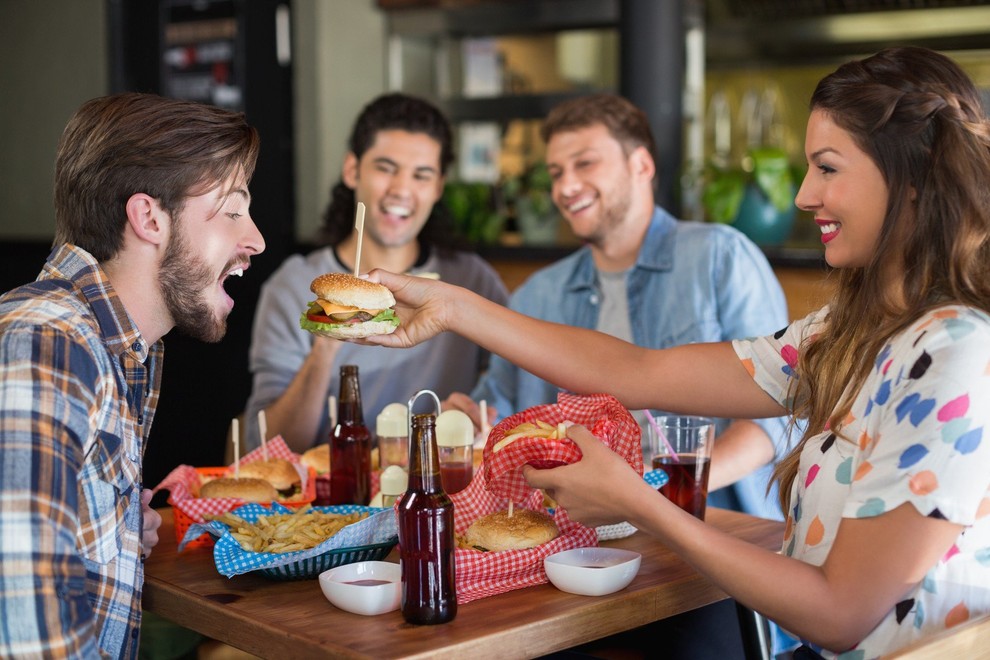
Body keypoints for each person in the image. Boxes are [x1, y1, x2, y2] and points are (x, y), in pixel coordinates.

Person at [363, 46, 990, 658]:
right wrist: (454, 307)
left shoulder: (954, 353)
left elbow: (840, 615)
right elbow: (637, 371)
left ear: (913, 178)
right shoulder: (849, 333)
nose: (802, 195)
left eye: (827, 167)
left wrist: (636, 502)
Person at [0, 93, 265, 657]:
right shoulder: (46, 342)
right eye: (233, 210)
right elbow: (26, 631)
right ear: (149, 218)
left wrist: (114, 536)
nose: (255, 241)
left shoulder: (118, 347)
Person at [456, 93, 792, 521]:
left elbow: (775, 416)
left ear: (641, 166)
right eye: (556, 172)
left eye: (585, 163)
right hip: (577, 534)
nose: (565, 187)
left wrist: (660, 489)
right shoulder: (536, 295)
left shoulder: (720, 257)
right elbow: (497, 414)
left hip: (712, 522)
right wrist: (466, 419)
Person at [244, 93, 508, 452]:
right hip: (331, 501)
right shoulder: (293, 286)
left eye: (421, 175)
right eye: (385, 168)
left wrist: (461, 421)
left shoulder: (472, 281)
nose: (401, 189)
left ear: (438, 187)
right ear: (352, 170)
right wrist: (326, 343)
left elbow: (511, 393)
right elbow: (266, 449)